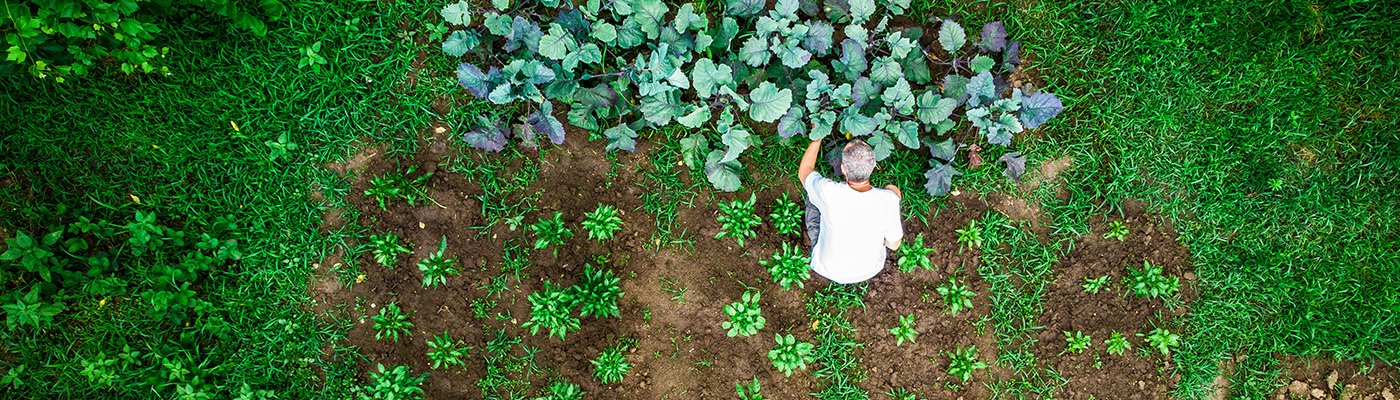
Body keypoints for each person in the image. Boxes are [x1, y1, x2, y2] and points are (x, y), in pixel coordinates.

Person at [797, 138, 904, 284]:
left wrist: (817, 137)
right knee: (892, 189)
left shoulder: (828, 191)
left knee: (812, 194)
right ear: (873, 165)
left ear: (843, 168)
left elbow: (805, 171)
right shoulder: (888, 201)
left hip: (826, 267)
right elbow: (894, 244)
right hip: (869, 269)